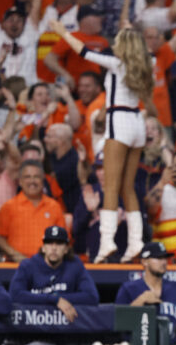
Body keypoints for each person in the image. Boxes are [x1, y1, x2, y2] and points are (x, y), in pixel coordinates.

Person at [49, 19, 154, 263]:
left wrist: (63, 32)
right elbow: (146, 50)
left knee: (111, 186)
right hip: (137, 121)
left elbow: (83, 50)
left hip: (119, 120)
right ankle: (136, 243)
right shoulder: (149, 62)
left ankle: (107, 242)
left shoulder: (116, 63)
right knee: (128, 186)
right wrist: (133, 32)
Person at [2, 226, 99, 345]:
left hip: (67, 336)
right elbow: (14, 295)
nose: (54, 247)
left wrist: (63, 299)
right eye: (50, 243)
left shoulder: (75, 265)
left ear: (66, 248)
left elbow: (92, 297)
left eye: (59, 244)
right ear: (43, 246)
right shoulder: (29, 266)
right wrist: (53, 299)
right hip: (35, 336)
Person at [0, 160, 66, 261]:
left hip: (46, 265)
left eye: (36, 177)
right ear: (20, 181)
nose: (32, 181)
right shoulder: (8, 207)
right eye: (27, 177)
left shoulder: (54, 207)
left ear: (43, 180)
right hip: (16, 266)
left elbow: (63, 238)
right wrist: (14, 254)